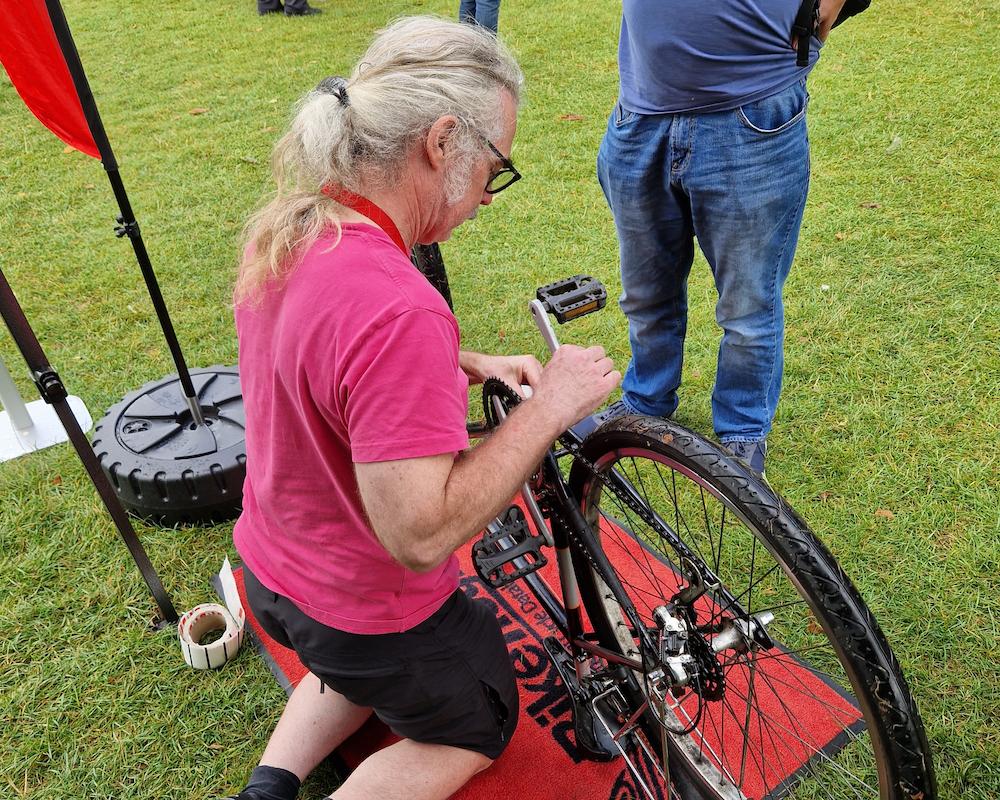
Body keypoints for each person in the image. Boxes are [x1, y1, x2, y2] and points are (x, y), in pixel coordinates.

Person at [223, 16, 620, 800]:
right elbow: (420, 533)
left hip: (274, 571)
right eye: (493, 169)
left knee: (351, 664)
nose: (483, 199)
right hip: (362, 612)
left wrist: (457, 360)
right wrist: (552, 408)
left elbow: (323, 360)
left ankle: (270, 785)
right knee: (477, 719)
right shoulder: (400, 307)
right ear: (442, 143)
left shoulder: (290, 230)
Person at [591, 0, 851, 475]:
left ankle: (742, 430)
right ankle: (646, 400)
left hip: (752, 115)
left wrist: (817, 17)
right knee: (646, 292)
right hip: (640, 114)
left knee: (748, 306)